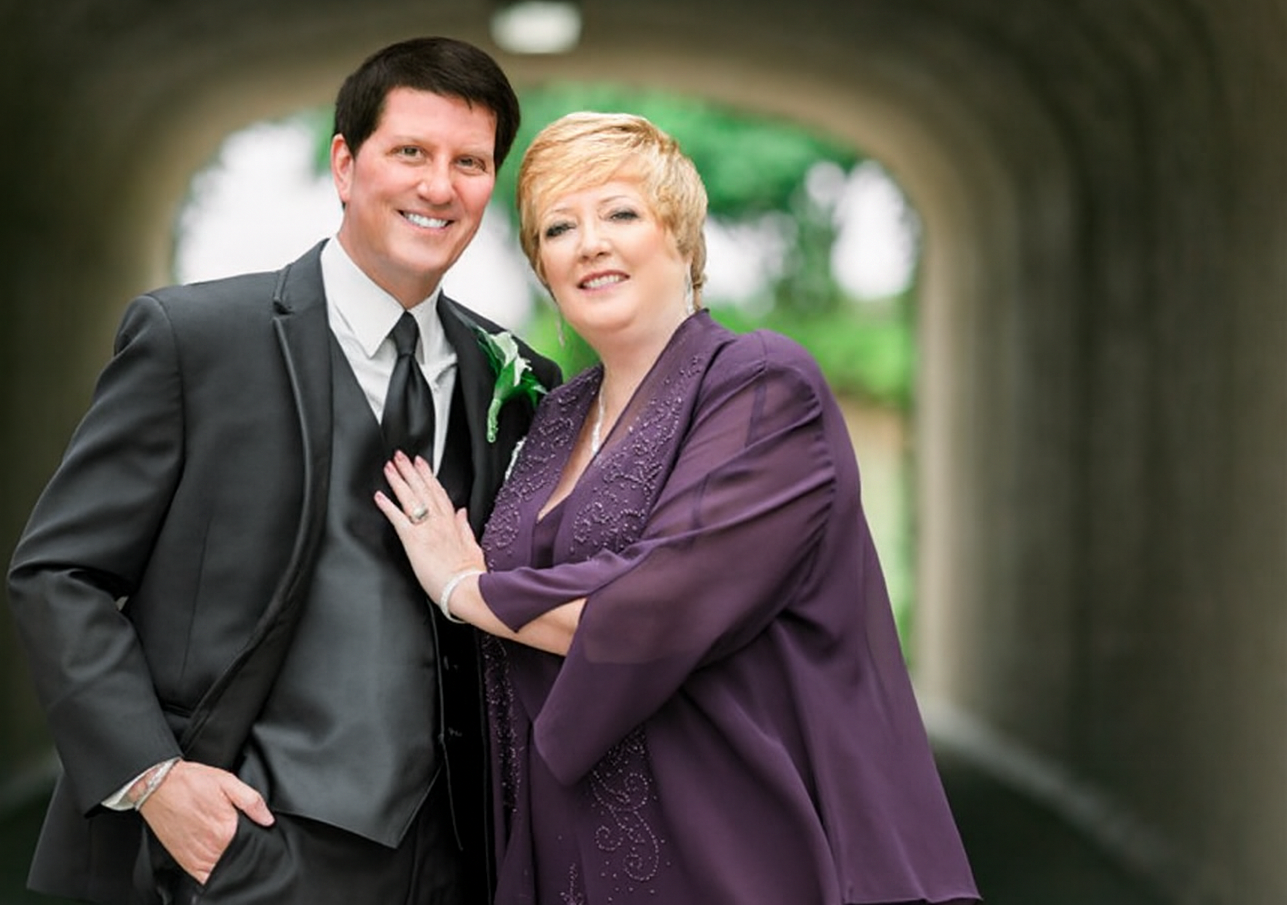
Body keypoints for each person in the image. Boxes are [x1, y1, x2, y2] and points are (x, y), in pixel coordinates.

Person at [6, 36, 561, 905]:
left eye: (470, 162)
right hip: (244, 845)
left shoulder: (515, 375)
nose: (439, 186)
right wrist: (156, 779)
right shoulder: (196, 341)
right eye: (410, 152)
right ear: (345, 164)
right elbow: (57, 575)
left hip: (456, 859)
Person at [377, 111, 981, 905]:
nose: (589, 242)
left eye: (620, 214)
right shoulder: (557, 415)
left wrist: (466, 590)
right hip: (562, 842)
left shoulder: (764, 386)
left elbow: (657, 607)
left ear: (683, 240)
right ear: (543, 269)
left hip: (732, 839)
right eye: (559, 227)